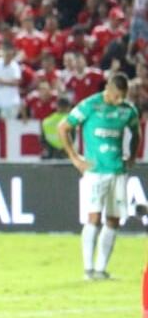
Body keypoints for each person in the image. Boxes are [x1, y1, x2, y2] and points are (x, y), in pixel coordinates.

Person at [57, 73, 141, 280]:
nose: (120, 101)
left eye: (123, 97)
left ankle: (101, 269)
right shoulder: (90, 105)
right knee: (93, 217)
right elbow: (63, 127)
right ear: (108, 90)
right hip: (95, 172)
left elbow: (136, 132)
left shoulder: (128, 110)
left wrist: (132, 156)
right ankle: (88, 270)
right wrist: (75, 158)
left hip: (117, 171)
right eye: (117, 96)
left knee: (114, 219)